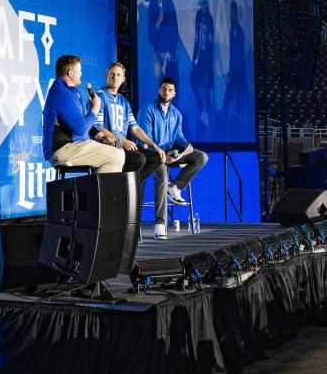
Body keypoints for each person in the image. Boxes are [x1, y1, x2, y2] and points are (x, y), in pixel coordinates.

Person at [136, 77, 209, 239]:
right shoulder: (148, 109)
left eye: (170, 90)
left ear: (174, 93)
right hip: (153, 155)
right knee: (162, 174)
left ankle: (175, 187)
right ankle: (160, 223)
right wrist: (161, 154)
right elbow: (144, 139)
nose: (166, 92)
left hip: (171, 153)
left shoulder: (176, 113)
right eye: (163, 89)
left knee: (201, 157)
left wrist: (185, 146)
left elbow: (178, 136)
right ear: (158, 90)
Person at [90, 61, 166, 202]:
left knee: (156, 158)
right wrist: (122, 140)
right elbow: (97, 126)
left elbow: (135, 128)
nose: (115, 77)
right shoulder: (99, 97)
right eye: (112, 74)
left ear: (123, 79)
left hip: (122, 146)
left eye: (119, 75)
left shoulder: (124, 102)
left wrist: (154, 146)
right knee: (139, 159)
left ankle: (125, 190)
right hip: (109, 146)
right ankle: (123, 191)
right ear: (106, 76)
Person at [41, 55, 126, 174]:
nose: (81, 73)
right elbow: (81, 129)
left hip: (74, 145)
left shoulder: (71, 92)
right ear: (70, 73)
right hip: (62, 149)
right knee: (117, 155)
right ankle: (96, 192)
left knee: (118, 150)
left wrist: (102, 137)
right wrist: (95, 107)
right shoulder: (62, 93)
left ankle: (97, 191)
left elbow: (85, 123)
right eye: (79, 70)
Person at [147, 0, 180, 92]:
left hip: (170, 52)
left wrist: (173, 50)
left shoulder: (169, 1)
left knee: (175, 84)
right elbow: (151, 37)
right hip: (158, 52)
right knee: (160, 82)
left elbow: (175, 27)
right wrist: (159, 21)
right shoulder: (152, 4)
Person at [190, 0, 216, 135]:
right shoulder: (199, 14)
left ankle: (206, 117)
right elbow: (196, 37)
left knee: (206, 87)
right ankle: (202, 111)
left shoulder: (210, 18)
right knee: (194, 80)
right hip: (199, 59)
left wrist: (207, 65)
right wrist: (194, 57)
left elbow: (210, 44)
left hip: (207, 60)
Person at [222, 0, 248, 124]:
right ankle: (236, 119)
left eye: (231, 13)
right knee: (234, 98)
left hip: (238, 72)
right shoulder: (234, 29)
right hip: (237, 72)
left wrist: (232, 72)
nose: (230, 16)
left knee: (228, 100)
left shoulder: (236, 30)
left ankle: (228, 121)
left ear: (235, 13)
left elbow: (237, 53)